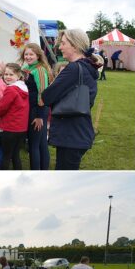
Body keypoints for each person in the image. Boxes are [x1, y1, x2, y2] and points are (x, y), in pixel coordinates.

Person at [42, 29, 100, 170]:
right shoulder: (87, 67)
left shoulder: (73, 69)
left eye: (63, 43)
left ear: (74, 45)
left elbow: (47, 96)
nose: (60, 47)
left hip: (71, 135)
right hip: (77, 133)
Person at [21, 43, 53, 170]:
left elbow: (43, 92)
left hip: (38, 110)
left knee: (34, 145)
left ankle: (36, 173)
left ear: (38, 55)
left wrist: (40, 115)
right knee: (41, 144)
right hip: (34, 109)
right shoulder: (29, 67)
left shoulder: (39, 70)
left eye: (31, 54)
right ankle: (43, 172)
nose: (28, 57)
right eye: (26, 54)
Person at [0, 63, 29, 170]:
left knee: (6, 156)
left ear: (18, 75)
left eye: (11, 74)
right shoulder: (24, 88)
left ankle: (3, 180)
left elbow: (2, 108)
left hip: (10, 127)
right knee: (15, 155)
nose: (8, 77)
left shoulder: (11, 89)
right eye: (6, 74)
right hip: (21, 128)